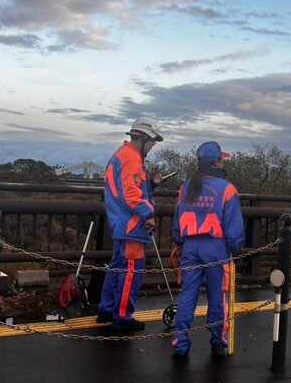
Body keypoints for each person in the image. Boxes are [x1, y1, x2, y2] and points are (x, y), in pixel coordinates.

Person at [171, 141, 245, 360]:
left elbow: (178, 220)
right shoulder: (227, 189)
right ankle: (217, 342)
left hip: (191, 246)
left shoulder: (186, 187)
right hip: (217, 247)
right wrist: (235, 248)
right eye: (221, 158)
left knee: (187, 296)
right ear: (216, 161)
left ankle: (180, 343)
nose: (223, 161)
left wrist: (179, 242)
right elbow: (233, 227)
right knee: (217, 296)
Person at [97, 117, 164, 331]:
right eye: (152, 142)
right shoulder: (131, 159)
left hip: (121, 224)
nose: (153, 147)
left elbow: (131, 189)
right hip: (132, 225)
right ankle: (123, 316)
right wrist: (149, 213)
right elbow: (132, 196)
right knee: (131, 272)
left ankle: (106, 310)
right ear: (143, 138)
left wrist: (151, 185)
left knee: (117, 268)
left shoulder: (120, 155)